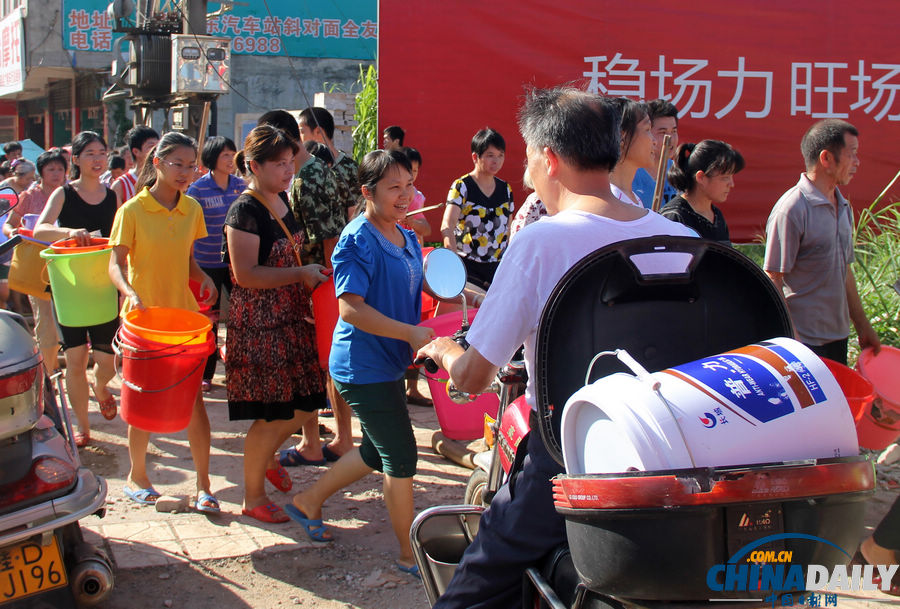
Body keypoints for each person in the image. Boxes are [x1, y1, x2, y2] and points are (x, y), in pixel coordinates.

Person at [416, 86, 695, 609]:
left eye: (526, 158)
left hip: (570, 459)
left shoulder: (541, 241)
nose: (524, 175)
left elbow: (475, 376)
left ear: (549, 158)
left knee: (472, 592)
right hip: (671, 456)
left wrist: (444, 351)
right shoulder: (671, 236)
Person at [288, 149, 434, 574]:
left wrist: (466, 294)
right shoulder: (356, 239)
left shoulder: (406, 235)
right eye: (394, 188)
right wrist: (409, 333)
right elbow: (350, 308)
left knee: (376, 449)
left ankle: (307, 500)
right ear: (368, 192)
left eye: (409, 185)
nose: (405, 195)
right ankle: (410, 556)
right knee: (401, 456)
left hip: (388, 362)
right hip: (362, 366)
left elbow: (418, 279)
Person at [108, 131, 219, 510]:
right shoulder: (132, 211)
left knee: (194, 404)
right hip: (143, 321)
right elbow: (115, 265)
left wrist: (202, 277)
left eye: (192, 166)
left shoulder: (192, 210)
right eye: (179, 165)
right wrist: (130, 292)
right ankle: (136, 476)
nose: (187, 172)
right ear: (157, 163)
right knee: (143, 400)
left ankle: (205, 486)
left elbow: (187, 260)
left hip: (184, 320)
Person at [224, 125, 328, 523]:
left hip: (291, 318)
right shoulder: (245, 211)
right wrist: (299, 273)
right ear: (254, 166)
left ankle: (266, 460)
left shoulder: (282, 198)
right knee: (275, 415)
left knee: (304, 403)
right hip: (262, 327)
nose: (288, 171)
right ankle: (252, 496)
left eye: (290, 162)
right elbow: (246, 274)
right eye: (279, 164)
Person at [259, 110, 354, 466]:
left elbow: (330, 238)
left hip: (319, 284)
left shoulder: (309, 176)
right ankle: (317, 440)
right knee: (322, 364)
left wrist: (330, 290)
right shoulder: (303, 173)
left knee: (325, 363)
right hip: (312, 281)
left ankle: (332, 440)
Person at [764, 119, 881, 366]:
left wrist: (862, 326)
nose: (857, 162)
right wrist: (791, 342)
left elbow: (845, 269)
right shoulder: (792, 209)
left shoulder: (843, 206)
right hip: (804, 344)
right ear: (826, 158)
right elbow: (773, 278)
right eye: (852, 154)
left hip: (838, 337)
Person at [33, 132, 118, 447]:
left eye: (102, 152)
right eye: (90, 153)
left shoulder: (113, 196)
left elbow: (120, 238)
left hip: (103, 286)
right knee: (77, 358)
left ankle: (102, 385)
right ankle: (82, 426)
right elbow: (40, 229)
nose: (97, 159)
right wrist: (69, 232)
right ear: (77, 160)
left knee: (107, 361)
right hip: (69, 288)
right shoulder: (63, 194)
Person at [187, 136, 246, 392]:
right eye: (224, 154)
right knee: (207, 320)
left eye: (233, 153)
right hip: (205, 264)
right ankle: (205, 373)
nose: (230, 159)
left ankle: (237, 370)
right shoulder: (198, 190)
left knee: (239, 319)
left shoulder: (240, 186)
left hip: (234, 264)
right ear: (212, 158)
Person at [3, 150, 68, 373]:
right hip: (37, 268)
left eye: (60, 168)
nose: (56, 173)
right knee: (45, 324)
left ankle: (72, 372)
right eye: (51, 169)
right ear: (41, 172)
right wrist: (16, 233)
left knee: (71, 323)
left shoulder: (69, 194)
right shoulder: (30, 196)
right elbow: (9, 224)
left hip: (67, 267)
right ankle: (49, 376)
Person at [441, 128, 514, 289]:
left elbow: (509, 229)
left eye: (500, 155)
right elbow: (447, 225)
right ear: (475, 157)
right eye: (490, 155)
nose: (496, 161)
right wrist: (453, 264)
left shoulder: (506, 189)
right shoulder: (462, 186)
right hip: (468, 267)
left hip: (498, 268)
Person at [660, 140, 745, 244]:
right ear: (701, 177)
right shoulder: (674, 216)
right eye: (725, 177)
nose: (731, 184)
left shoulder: (717, 216)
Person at [298, 107, 360, 220]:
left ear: (318, 131)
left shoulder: (350, 168)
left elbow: (355, 212)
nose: (299, 138)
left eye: (302, 131)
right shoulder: (301, 166)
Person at [608, 98, 656, 208]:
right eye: (647, 129)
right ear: (622, 137)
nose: (654, 141)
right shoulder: (610, 200)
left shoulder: (633, 198)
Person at [632, 99, 680, 208]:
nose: (670, 139)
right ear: (647, 131)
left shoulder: (678, 171)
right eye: (662, 132)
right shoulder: (630, 172)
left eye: (674, 131)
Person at [111, 125, 159, 205]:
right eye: (151, 146)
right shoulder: (121, 185)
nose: (156, 151)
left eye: (158, 146)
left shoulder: (163, 180)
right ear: (136, 152)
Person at [399, 147, 430, 244]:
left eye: (415, 170)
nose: (412, 175)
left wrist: (413, 223)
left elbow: (426, 230)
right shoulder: (390, 194)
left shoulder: (418, 197)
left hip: (413, 249)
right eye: (408, 170)